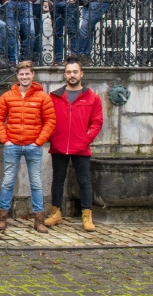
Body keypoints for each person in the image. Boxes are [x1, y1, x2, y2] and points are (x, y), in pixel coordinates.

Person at [0, 61, 56, 233]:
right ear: (17, 76)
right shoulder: (7, 96)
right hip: (12, 144)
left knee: (36, 183)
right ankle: (2, 217)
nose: (24, 77)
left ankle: (39, 219)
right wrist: (4, 139)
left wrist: (39, 141)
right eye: (21, 74)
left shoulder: (43, 97)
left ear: (32, 74)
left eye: (27, 74)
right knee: (7, 182)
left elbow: (50, 121)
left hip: (33, 146)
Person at [45, 58, 103, 232]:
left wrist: (85, 139)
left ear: (81, 73)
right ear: (64, 75)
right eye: (69, 72)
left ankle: (87, 215)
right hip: (59, 145)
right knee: (57, 180)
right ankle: (56, 212)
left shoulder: (92, 97)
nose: (72, 75)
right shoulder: (54, 96)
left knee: (84, 181)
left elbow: (97, 122)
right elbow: (47, 119)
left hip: (81, 146)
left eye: (75, 72)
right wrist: (52, 138)